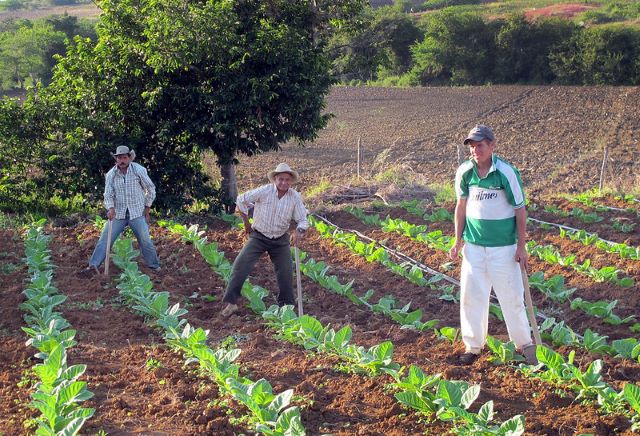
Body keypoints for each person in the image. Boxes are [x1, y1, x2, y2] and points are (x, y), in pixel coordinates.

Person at [448, 124, 537, 365]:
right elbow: (461, 207)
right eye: (472, 146)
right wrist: (458, 240)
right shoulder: (465, 172)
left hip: (504, 248)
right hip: (474, 247)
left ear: (492, 145)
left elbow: (520, 210)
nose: (475, 150)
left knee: (511, 296)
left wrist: (521, 246)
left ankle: (524, 344)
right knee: (472, 297)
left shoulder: (506, 173)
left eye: (480, 145)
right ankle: (473, 347)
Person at [221, 163, 308, 317]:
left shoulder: (294, 197)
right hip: (259, 236)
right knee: (240, 265)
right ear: (275, 179)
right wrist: (246, 222)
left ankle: (287, 308)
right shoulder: (265, 191)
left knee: (286, 273)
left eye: (287, 180)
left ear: (291, 181)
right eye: (281, 179)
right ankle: (232, 303)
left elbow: (302, 219)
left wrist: (299, 231)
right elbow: (241, 199)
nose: (284, 183)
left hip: (280, 239)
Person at [81, 145, 160, 275]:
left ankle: (154, 266)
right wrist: (110, 208)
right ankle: (93, 266)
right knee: (105, 239)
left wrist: (147, 207)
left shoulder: (138, 170)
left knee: (145, 239)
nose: (122, 160)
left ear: (129, 158)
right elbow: (108, 194)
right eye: (119, 158)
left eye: (124, 157)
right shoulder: (111, 174)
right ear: (116, 159)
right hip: (118, 213)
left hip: (137, 212)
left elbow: (150, 188)